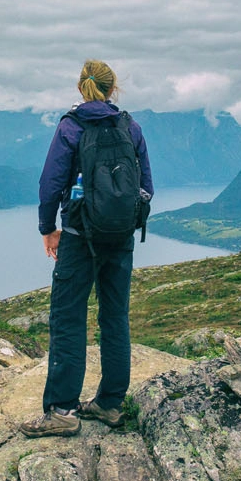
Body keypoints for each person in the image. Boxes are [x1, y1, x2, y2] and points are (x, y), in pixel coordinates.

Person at [21, 60, 153, 437]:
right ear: (113, 90)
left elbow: (50, 183)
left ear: (81, 89)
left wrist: (49, 228)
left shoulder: (71, 127)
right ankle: (110, 404)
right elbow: (146, 186)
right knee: (115, 318)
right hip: (121, 238)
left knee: (68, 319)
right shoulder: (130, 127)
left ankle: (62, 410)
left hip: (79, 238)